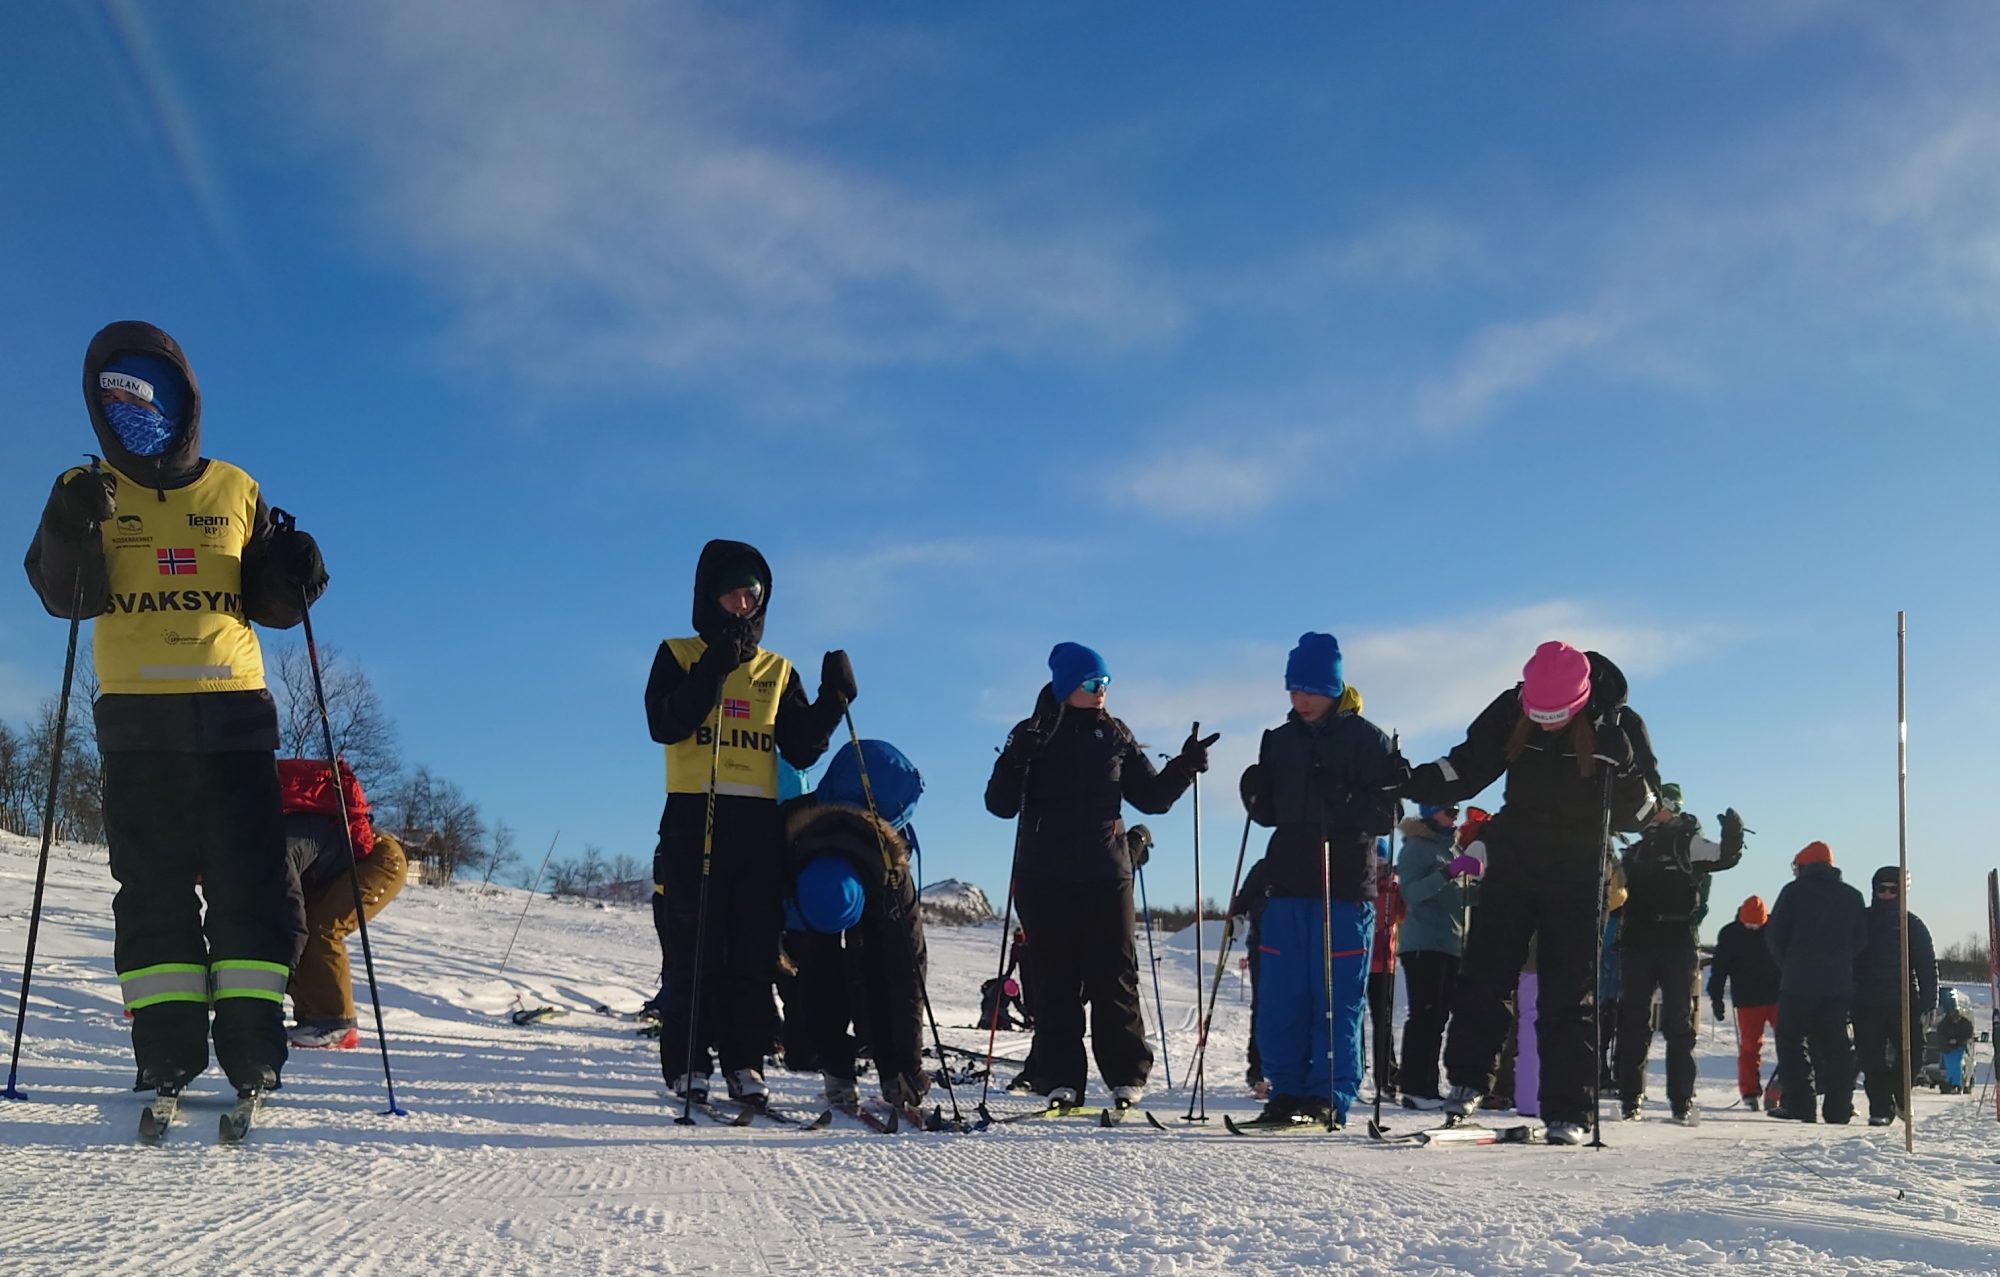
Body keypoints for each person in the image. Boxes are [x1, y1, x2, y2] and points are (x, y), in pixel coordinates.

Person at [24, 321, 327, 1102]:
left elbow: (270, 600)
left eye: (145, 396)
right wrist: (68, 522)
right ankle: (167, 1050)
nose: (133, 413)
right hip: (138, 726)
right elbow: (65, 594)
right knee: (152, 889)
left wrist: (296, 570)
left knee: (250, 886)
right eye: (114, 399)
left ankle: (254, 1046)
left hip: (233, 719)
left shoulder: (235, 487)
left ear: (183, 400)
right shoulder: (83, 486)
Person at [1404, 641, 1660, 1146]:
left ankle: (1568, 1108)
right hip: (1517, 854)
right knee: (1484, 972)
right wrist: (1412, 778)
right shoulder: (1511, 708)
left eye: (1556, 716)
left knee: (1569, 989)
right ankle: (1467, 1081)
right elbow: (1468, 765)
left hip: (1579, 865)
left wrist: (1626, 771)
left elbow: (1644, 814)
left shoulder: (1619, 725)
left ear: (1581, 701)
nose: (1545, 725)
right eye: (1536, 714)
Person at [644, 540, 854, 1107]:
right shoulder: (678, 653)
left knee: (752, 949)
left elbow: (802, 748)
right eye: (732, 593)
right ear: (709, 597)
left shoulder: (776, 669)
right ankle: (690, 1060)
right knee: (695, 947)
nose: (743, 604)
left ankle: (745, 1060)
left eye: (753, 595)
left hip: (756, 821)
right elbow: (665, 724)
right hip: (694, 814)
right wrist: (714, 665)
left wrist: (834, 701)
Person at [983, 643, 1213, 1107]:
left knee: (1115, 975)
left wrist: (1184, 767)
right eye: (1092, 683)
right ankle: (1059, 1074)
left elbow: (1153, 798)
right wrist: (1014, 761)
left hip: (1106, 873)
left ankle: (1126, 1074)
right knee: (1054, 980)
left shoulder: (1115, 734)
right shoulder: (1031, 733)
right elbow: (999, 805)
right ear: (1068, 686)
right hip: (1044, 875)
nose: (1102, 691)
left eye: (1106, 682)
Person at [1237, 633, 1399, 1128]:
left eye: (1308, 689)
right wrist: (1257, 800)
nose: (1299, 699)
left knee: (1334, 999)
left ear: (1332, 687)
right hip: (1287, 881)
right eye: (1292, 689)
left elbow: (1388, 812)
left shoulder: (1367, 740)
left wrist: (1347, 799)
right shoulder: (1280, 740)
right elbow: (1272, 814)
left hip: (1343, 886)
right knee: (1283, 996)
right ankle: (1285, 1090)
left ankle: (1328, 1093)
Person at [782, 738, 930, 1113]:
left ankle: (891, 1072)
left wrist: (907, 1065)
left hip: (873, 864)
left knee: (882, 969)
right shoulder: (786, 842)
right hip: (815, 883)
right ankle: (837, 1070)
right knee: (819, 970)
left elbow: (906, 975)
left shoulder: (891, 876)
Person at [1614, 783, 1746, 1123]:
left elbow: (1724, 857)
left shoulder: (1686, 842)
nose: (1658, 812)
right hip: (1638, 940)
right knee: (1633, 1022)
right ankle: (1630, 1097)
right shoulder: (1636, 848)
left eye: (1663, 805)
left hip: (1676, 939)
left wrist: (1733, 834)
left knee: (1678, 1024)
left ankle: (1681, 1100)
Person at [278, 758, 407, 1049]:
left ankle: (336, 1023)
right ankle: (313, 1020)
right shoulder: (268, 831)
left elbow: (289, 915)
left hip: (379, 861)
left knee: (321, 926)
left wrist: (285, 965)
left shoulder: (283, 844)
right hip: (340, 866)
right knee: (308, 923)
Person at [1764, 841, 1868, 1123]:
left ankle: (1801, 1106)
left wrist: (1789, 965)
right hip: (1837, 987)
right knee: (1836, 1048)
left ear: (1803, 866)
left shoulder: (1792, 893)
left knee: (1792, 1044)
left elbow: (1774, 936)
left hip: (1797, 983)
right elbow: (1861, 940)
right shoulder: (1852, 897)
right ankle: (1838, 1108)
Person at [1395, 803, 1469, 1110]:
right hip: (1423, 943)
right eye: (1448, 810)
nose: (1455, 815)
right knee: (1424, 1016)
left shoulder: (1452, 848)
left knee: (1437, 1017)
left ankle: (1427, 1085)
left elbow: (1455, 897)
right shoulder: (1416, 847)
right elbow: (1411, 893)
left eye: (1456, 810)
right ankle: (1414, 1087)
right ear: (1430, 812)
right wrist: (1448, 873)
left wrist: (1486, 891)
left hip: (1450, 944)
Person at [1853, 865, 1938, 1126]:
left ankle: (1901, 1096)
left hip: (1903, 1001)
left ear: (1903, 891)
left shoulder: (1912, 925)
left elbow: (1926, 965)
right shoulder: (1861, 921)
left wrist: (1929, 1001)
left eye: (1894, 889)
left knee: (1913, 1053)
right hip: (1866, 1002)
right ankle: (1880, 1108)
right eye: (1882, 889)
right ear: (1874, 890)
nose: (1887, 894)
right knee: (1871, 1058)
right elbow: (1845, 958)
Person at [1707, 894, 1782, 1109]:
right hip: (1748, 1000)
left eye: (1758, 924)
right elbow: (1719, 969)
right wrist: (1716, 998)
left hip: (1778, 997)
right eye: (1750, 924)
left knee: (1789, 1043)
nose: (1753, 928)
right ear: (1742, 918)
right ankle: (1750, 1091)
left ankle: (1783, 1088)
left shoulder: (1775, 929)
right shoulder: (1731, 934)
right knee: (1750, 1047)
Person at [1367, 839, 1403, 1100]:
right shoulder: (1365, 884)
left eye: (1382, 863)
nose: (1378, 867)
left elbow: (1400, 915)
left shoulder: (1393, 886)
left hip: (1385, 962)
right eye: (1374, 863)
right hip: (1362, 960)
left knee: (1384, 1020)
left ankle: (1387, 1075)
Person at [1933, 988, 1976, 1094]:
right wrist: (1950, 1041)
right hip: (1949, 1048)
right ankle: (1953, 1084)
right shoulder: (1947, 1023)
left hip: (1957, 1047)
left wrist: (1957, 1041)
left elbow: (1967, 1035)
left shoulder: (1963, 1024)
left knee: (1955, 1065)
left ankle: (1954, 1084)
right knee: (1954, 1065)